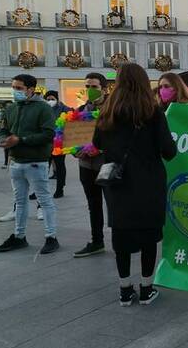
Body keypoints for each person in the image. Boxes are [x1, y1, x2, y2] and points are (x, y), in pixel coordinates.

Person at [93, 63, 177, 306]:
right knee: (148, 235)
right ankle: (146, 289)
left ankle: (124, 290)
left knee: (121, 234)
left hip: (118, 183)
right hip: (149, 183)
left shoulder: (107, 112)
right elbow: (169, 151)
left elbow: (97, 143)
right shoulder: (152, 112)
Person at [0, 74, 58, 255]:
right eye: (14, 87)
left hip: (36, 162)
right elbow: (4, 129)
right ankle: (19, 236)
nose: (15, 91)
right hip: (16, 162)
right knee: (20, 202)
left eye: (19, 88)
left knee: (44, 200)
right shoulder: (11, 108)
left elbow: (48, 134)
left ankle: (51, 237)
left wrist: (21, 140)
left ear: (31, 89)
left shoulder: (43, 108)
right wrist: (5, 138)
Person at [74, 73, 110, 258]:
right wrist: (75, 151)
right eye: (87, 86)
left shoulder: (114, 110)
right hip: (86, 166)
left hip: (107, 166)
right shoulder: (80, 111)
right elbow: (73, 138)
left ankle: (123, 241)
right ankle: (97, 241)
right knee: (93, 205)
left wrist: (100, 149)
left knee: (114, 204)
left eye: (94, 86)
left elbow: (120, 138)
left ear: (104, 89)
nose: (90, 90)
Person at [44, 91, 71, 198]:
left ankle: (60, 189)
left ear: (57, 99)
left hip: (59, 142)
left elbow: (71, 119)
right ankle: (39, 189)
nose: (50, 101)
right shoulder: (44, 109)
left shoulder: (64, 108)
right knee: (43, 167)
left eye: (52, 99)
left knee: (60, 166)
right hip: (46, 143)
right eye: (48, 99)